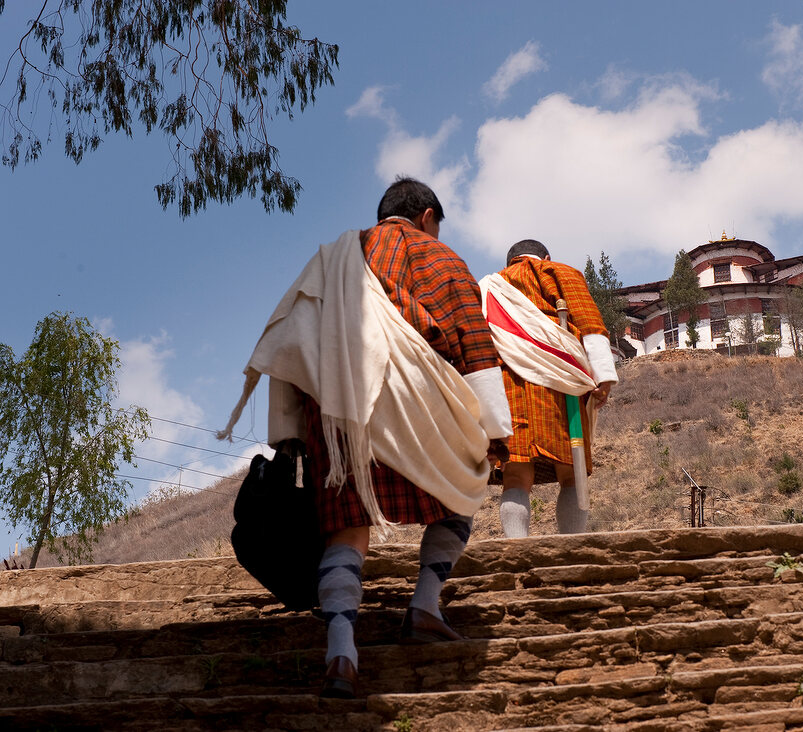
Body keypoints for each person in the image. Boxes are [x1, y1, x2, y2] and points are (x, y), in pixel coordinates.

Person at [218, 177, 512, 699]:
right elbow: (474, 338)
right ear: (425, 216)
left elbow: (293, 337)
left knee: (346, 528)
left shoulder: (333, 259)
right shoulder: (443, 261)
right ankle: (424, 605)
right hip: (423, 403)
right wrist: (493, 432)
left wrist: (288, 436)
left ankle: (340, 653)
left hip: (340, 411)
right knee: (460, 491)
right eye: (437, 226)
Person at [480, 239, 618, 538]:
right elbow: (590, 324)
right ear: (546, 256)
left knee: (515, 475)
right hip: (559, 382)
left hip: (507, 384)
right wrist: (604, 375)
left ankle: (517, 547)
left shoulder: (490, 286)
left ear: (509, 262)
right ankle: (571, 544)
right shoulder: (559, 272)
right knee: (572, 472)